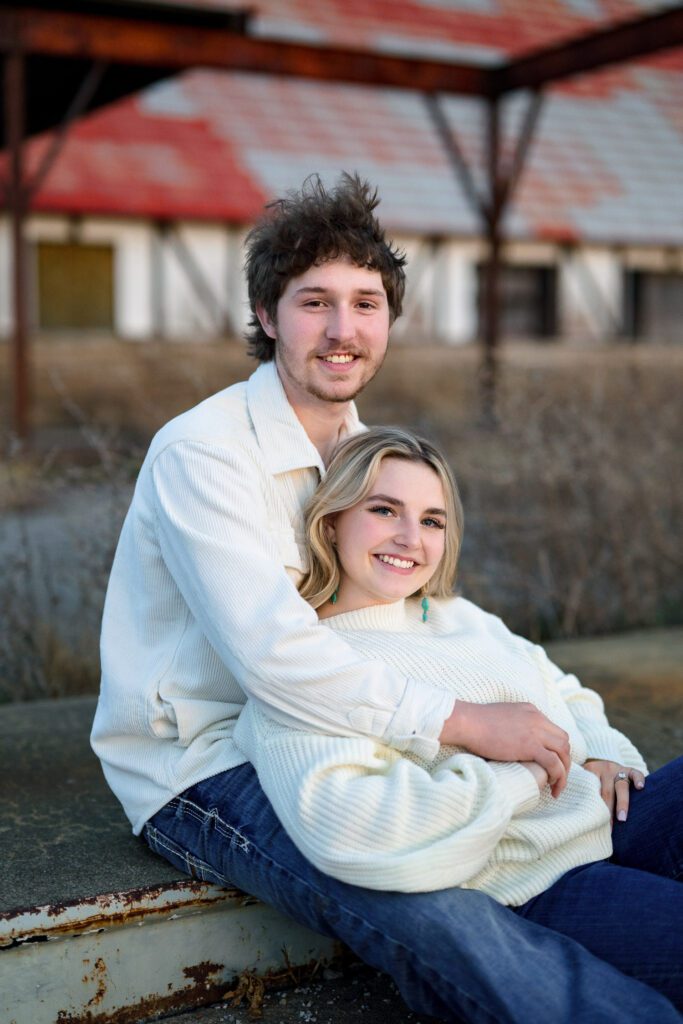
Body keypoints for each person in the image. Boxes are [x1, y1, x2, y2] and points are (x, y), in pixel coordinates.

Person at [91, 173, 682, 1023]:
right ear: (266, 315)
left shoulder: (366, 451)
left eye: (365, 304)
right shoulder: (204, 453)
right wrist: (465, 726)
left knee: (531, 838)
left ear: (389, 322)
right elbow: (273, 659)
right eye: (313, 302)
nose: (342, 330)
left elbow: (447, 617)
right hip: (207, 762)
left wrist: (580, 734)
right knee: (425, 901)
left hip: (351, 720)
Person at [233, 425, 683, 1012]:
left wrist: (601, 751)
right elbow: (354, 825)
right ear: (332, 520)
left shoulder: (456, 615)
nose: (409, 537)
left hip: (610, 818)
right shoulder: (309, 669)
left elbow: (561, 688)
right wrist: (527, 773)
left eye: (432, 520)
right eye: (384, 509)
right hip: (539, 879)